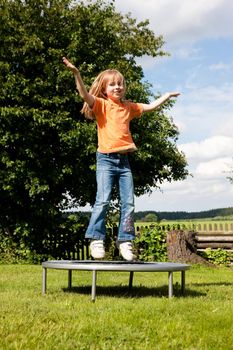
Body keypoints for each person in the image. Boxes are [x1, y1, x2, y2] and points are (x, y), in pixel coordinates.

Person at [63, 57, 180, 261]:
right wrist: (76, 73)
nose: (118, 87)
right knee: (103, 200)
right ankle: (96, 238)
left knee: (129, 203)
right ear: (105, 88)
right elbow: (83, 94)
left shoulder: (129, 107)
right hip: (106, 160)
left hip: (124, 162)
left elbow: (151, 107)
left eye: (120, 84)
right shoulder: (101, 105)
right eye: (113, 84)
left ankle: (125, 240)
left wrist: (167, 96)